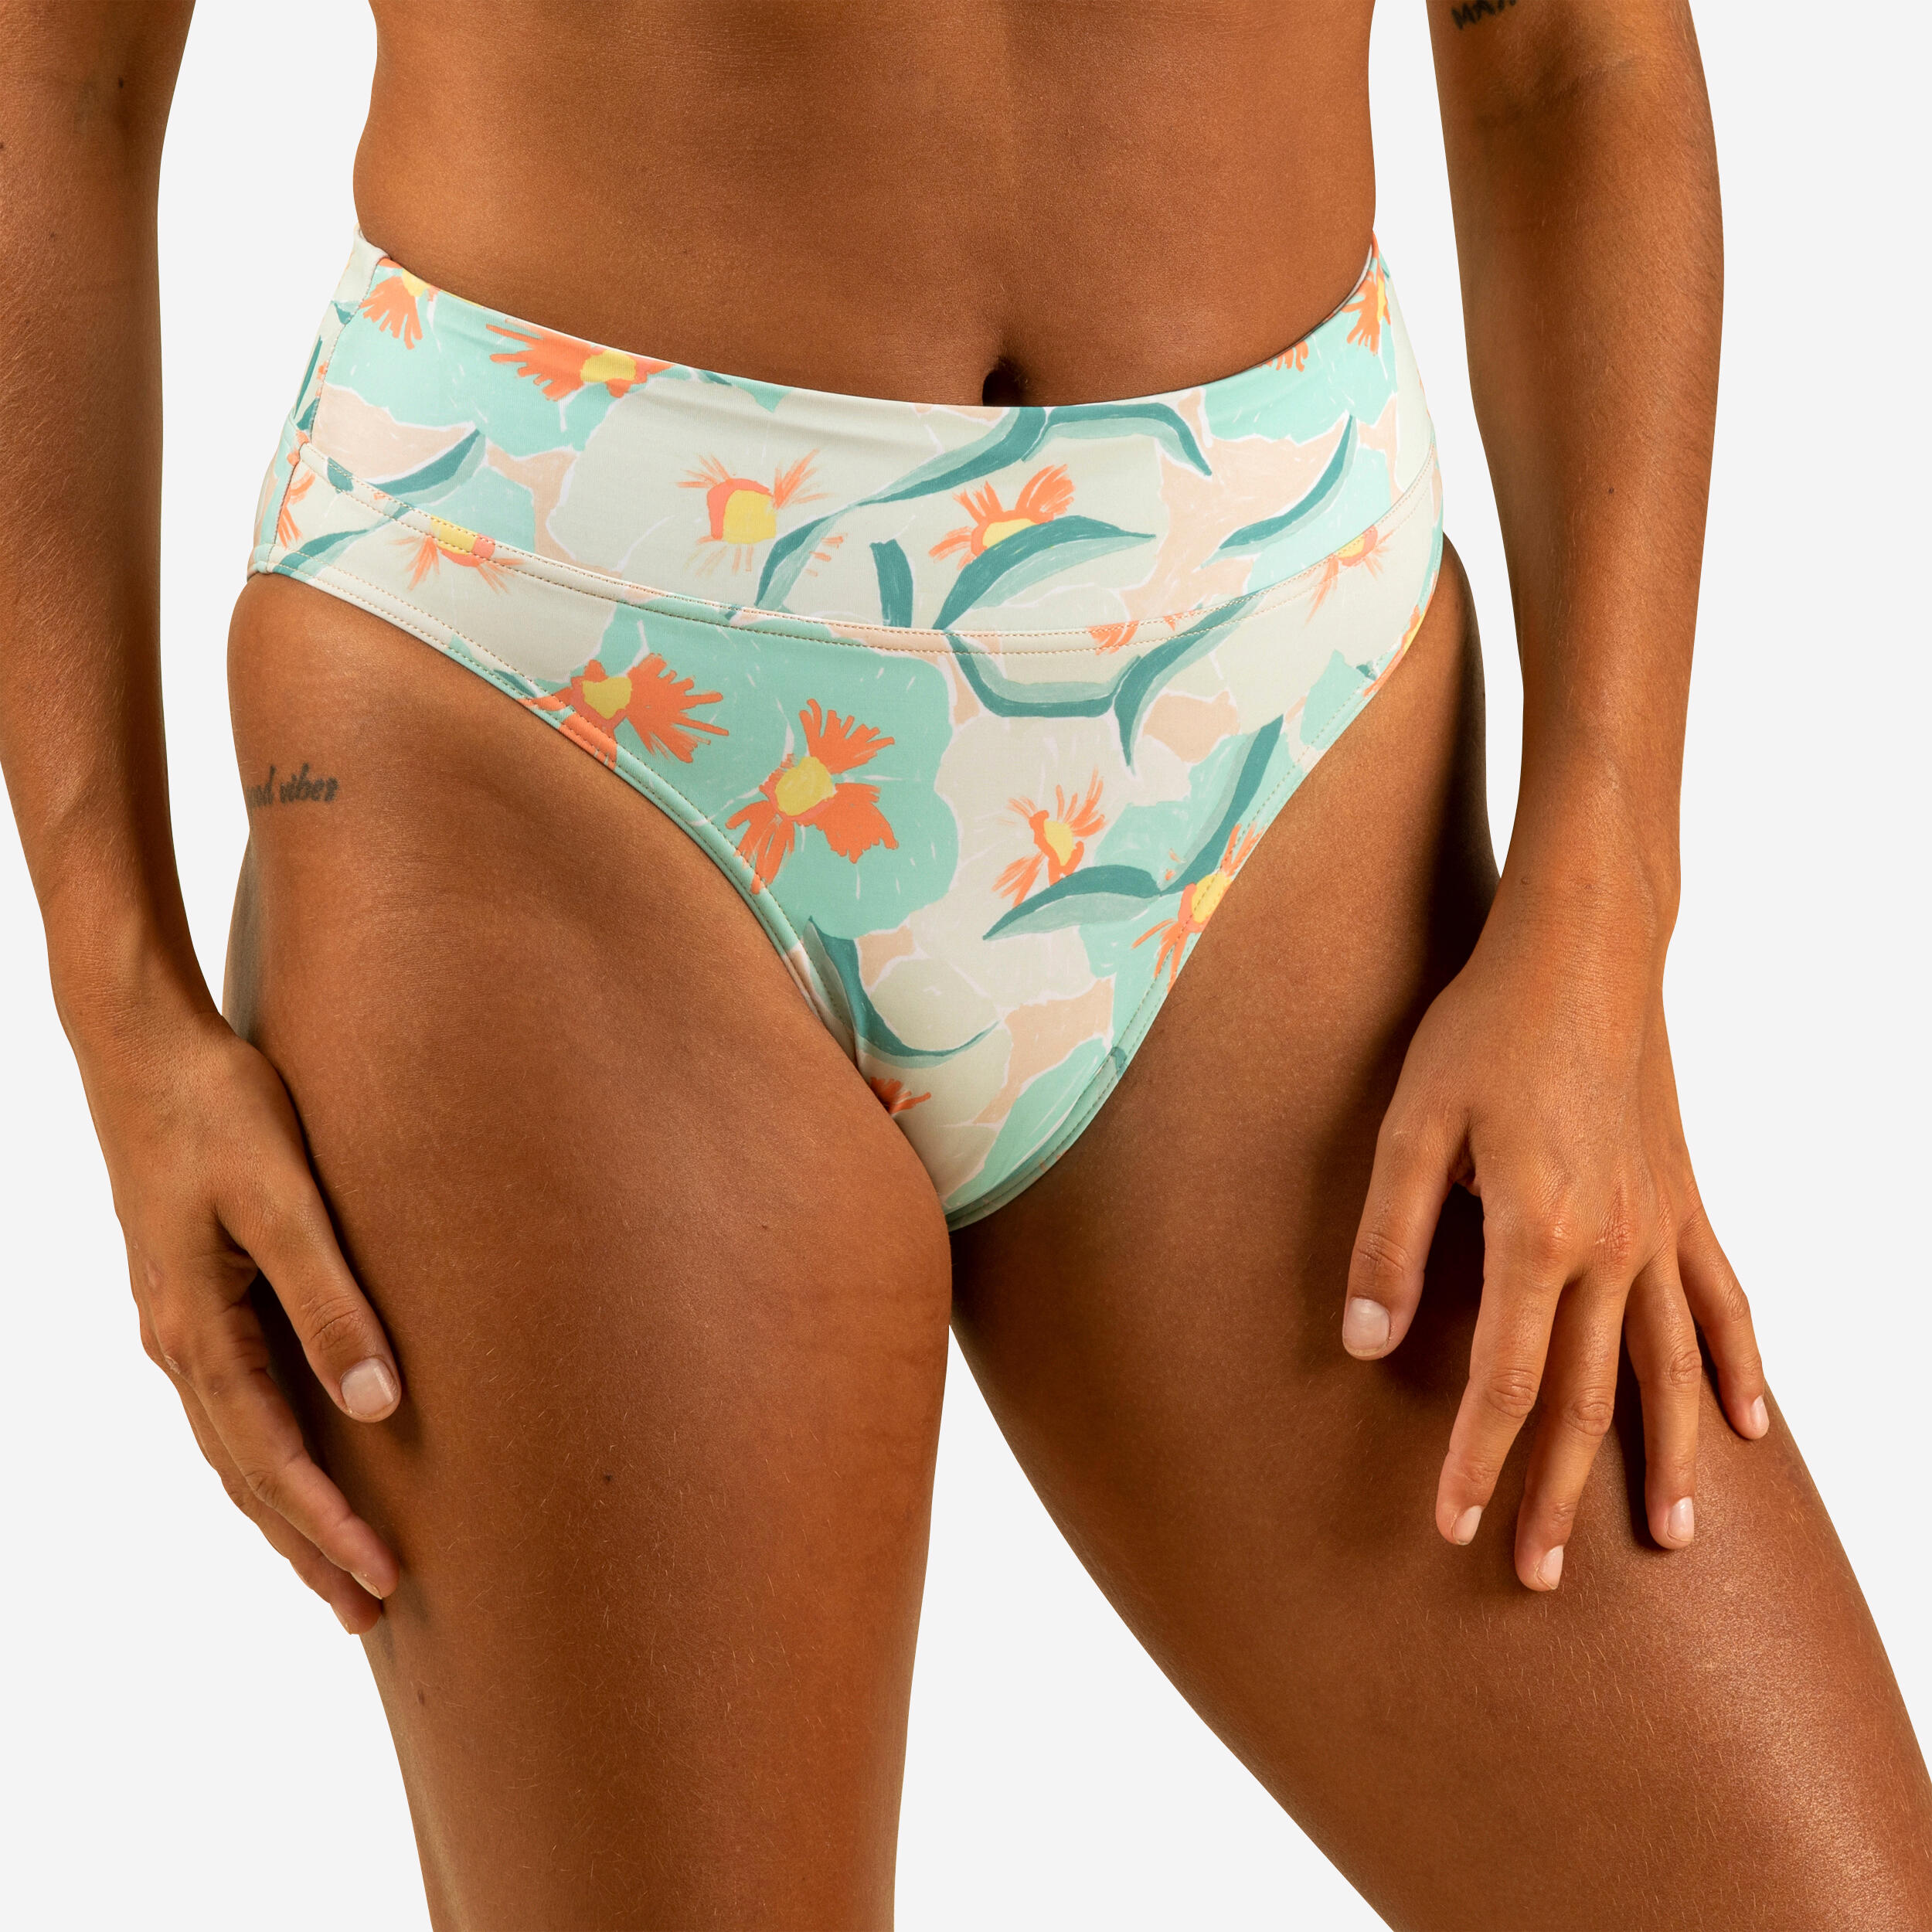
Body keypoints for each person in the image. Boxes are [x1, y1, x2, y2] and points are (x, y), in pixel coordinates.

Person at [2, 1, 1927, 1925]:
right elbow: (53, 72)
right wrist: (116, 1006)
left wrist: (1600, 918)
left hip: (1276, 696)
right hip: (555, 695)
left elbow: (1564, 58)